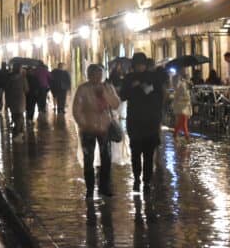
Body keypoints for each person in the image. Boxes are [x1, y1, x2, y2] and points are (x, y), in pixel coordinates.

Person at [72, 63, 120, 198]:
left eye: (100, 75)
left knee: (106, 158)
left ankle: (105, 186)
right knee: (88, 159)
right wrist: (84, 124)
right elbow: (77, 110)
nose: (97, 78)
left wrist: (106, 94)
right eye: (94, 75)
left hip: (104, 128)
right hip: (87, 129)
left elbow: (116, 104)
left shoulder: (107, 87)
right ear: (89, 75)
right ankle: (90, 188)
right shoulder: (83, 89)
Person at [120, 52, 166, 193]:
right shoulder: (128, 78)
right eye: (137, 64)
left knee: (148, 153)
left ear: (145, 65)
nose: (139, 67)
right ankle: (136, 178)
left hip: (150, 121)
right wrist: (133, 87)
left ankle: (146, 181)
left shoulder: (153, 78)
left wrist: (158, 115)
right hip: (135, 120)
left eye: (142, 64)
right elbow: (123, 96)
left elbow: (160, 96)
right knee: (135, 153)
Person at [5, 64, 29, 139]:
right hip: (20, 98)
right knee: (20, 115)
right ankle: (19, 132)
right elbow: (26, 89)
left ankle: (18, 130)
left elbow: (7, 89)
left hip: (11, 98)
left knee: (14, 114)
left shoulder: (9, 78)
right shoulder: (23, 78)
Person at [172, 75, 192, 141]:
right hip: (182, 107)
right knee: (183, 122)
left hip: (183, 107)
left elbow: (185, 96)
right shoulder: (182, 85)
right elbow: (185, 96)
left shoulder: (182, 85)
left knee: (182, 122)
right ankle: (186, 137)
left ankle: (176, 135)